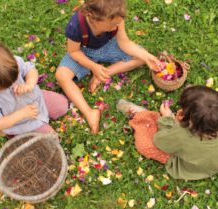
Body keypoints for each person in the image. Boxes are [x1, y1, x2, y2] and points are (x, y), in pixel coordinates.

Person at [55, 0, 161, 134]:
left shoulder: (116, 15)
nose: (115, 26)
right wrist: (93, 66)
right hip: (84, 53)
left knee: (141, 56)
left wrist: (146, 56)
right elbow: (74, 52)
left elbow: (124, 42)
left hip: (109, 46)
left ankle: (105, 73)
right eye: (112, 24)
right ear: (93, 17)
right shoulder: (76, 25)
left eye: (117, 23)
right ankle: (89, 113)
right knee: (61, 76)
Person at [117, 85, 218, 180]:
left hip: (186, 167)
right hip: (216, 165)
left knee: (144, 145)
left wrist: (167, 118)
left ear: (188, 119)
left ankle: (141, 115)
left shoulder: (182, 134)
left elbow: (160, 142)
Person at [0, 41, 68, 136]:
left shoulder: (10, 63)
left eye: (13, 80)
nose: (11, 86)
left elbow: (30, 70)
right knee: (50, 139)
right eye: (4, 87)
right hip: (21, 123)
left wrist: (29, 84)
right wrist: (22, 114)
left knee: (63, 105)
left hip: (36, 99)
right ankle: (13, 135)